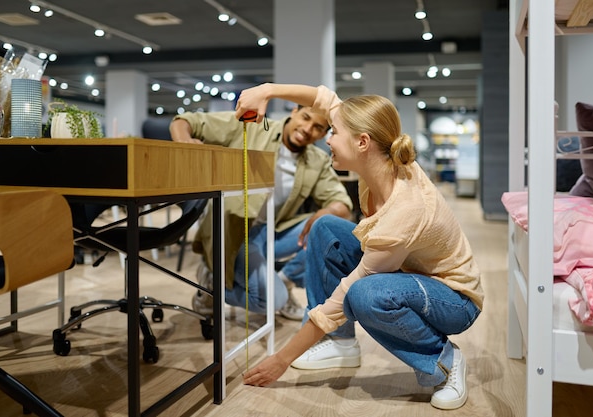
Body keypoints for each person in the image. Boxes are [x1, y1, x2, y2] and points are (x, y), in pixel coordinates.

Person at [235, 83, 484, 410]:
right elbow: (323, 99)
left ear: (362, 142)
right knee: (326, 227)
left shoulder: (404, 212)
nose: (326, 138)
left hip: (453, 299)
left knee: (365, 294)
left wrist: (280, 360)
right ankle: (342, 345)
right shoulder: (377, 156)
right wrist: (266, 91)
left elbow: (340, 300)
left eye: (333, 132)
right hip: (408, 273)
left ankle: (444, 360)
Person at [169, 104, 353, 321]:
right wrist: (185, 143)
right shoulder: (252, 127)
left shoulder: (316, 160)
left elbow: (342, 204)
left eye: (317, 127)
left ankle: (285, 278)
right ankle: (210, 284)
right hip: (238, 234)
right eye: (305, 118)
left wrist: (328, 211)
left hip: (273, 232)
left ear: (323, 134)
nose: (307, 128)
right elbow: (184, 121)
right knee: (271, 302)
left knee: (334, 231)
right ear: (294, 111)